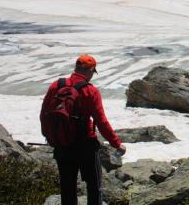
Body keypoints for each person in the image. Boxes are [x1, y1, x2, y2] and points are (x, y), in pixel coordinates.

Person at [40, 54, 126, 205]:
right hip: (85, 145)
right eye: (93, 72)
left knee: (67, 187)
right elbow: (101, 121)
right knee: (94, 186)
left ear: (75, 68)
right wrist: (117, 143)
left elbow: (43, 114)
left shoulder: (56, 85)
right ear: (91, 70)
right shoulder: (90, 91)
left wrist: (52, 137)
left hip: (62, 145)